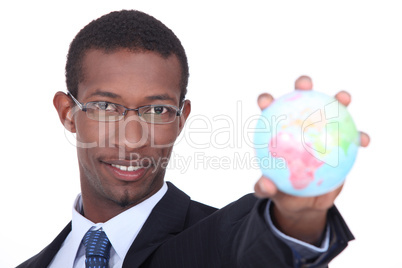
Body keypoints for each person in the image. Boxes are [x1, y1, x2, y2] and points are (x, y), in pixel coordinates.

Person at [17, 10, 370, 268]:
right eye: (107, 106)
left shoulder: (221, 243)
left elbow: (267, 247)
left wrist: (296, 215)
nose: (133, 139)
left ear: (182, 119)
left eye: (156, 111)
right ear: (67, 113)